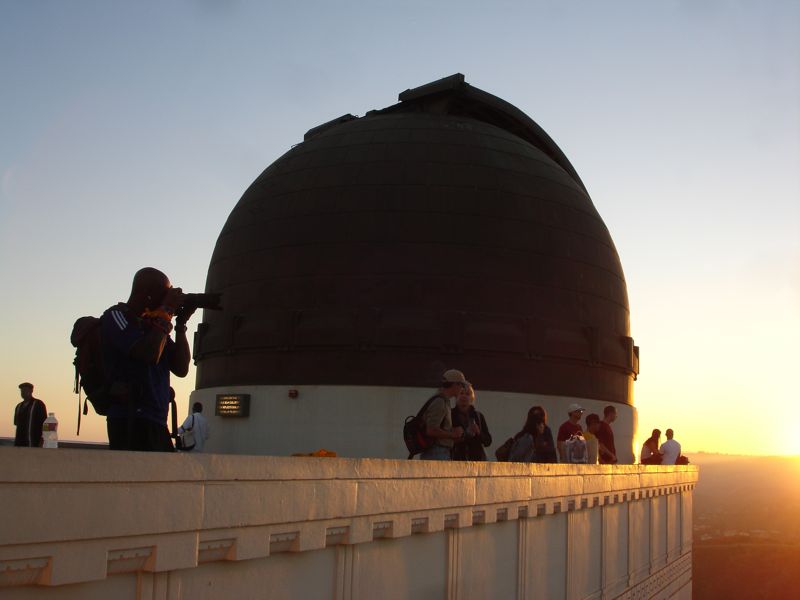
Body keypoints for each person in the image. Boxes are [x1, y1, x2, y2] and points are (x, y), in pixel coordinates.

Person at [101, 268, 196, 452]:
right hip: (128, 419)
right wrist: (166, 311)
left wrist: (180, 325)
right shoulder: (116, 316)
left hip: (157, 420)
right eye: (164, 296)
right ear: (148, 296)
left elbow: (181, 368)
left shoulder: (154, 326)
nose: (166, 301)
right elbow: (148, 354)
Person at [419, 369, 466, 460]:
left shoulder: (443, 400)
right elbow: (431, 430)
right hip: (436, 452)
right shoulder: (440, 402)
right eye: (462, 385)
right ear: (455, 384)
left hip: (437, 452)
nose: (462, 389)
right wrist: (454, 434)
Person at [450, 383, 492, 461]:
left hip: (476, 463)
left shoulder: (478, 416)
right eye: (461, 393)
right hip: (455, 461)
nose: (464, 396)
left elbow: (488, 441)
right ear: (456, 396)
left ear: (472, 398)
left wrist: (478, 432)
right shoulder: (450, 415)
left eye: (467, 394)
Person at [13, 382, 47, 447]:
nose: (23, 392)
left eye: (25, 390)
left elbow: (45, 424)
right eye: (22, 391)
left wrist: (42, 440)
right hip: (19, 444)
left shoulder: (38, 404)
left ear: (31, 391)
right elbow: (16, 424)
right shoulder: (18, 406)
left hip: (34, 442)